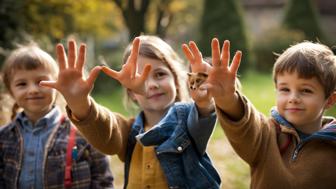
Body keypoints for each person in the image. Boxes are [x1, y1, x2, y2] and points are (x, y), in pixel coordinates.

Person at [40, 35, 221, 189]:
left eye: (160, 74)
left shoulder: (188, 118)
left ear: (175, 79)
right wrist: (79, 103)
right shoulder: (129, 131)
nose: (152, 84)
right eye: (140, 77)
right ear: (131, 93)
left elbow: (203, 119)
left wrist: (204, 101)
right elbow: (106, 131)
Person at [189, 38, 336, 189]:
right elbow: (247, 125)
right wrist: (226, 98)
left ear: (330, 100)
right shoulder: (267, 136)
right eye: (285, 89)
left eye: (306, 90)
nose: (293, 98)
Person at [0, 44, 114, 188]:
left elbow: (103, 181)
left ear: (58, 85)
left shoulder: (84, 134)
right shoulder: (3, 139)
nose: (33, 90)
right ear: (10, 91)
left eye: (41, 82)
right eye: (22, 84)